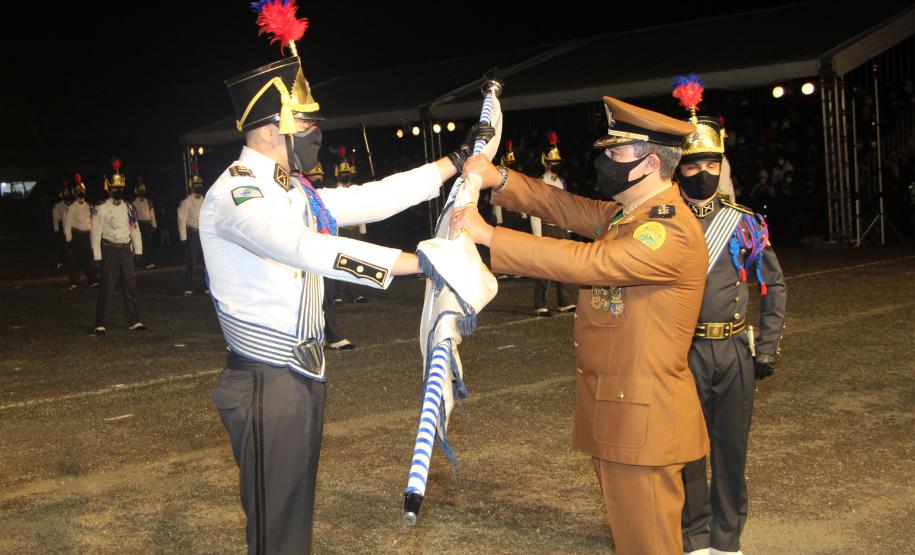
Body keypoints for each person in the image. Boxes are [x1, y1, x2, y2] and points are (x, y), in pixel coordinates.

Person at [202, 8, 496, 552]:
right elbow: (304, 247)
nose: (316, 137)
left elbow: (372, 197)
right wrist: (414, 263)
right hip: (266, 380)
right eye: (306, 128)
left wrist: (453, 163)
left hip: (300, 376)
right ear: (271, 131)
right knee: (275, 524)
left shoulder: (293, 190)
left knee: (292, 518)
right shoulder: (235, 194)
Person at [455, 96, 708, 555]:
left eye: (616, 153)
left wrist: (490, 235)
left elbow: (595, 262)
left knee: (649, 545)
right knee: (634, 540)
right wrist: (501, 180)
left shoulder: (667, 229)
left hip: (643, 420)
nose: (604, 161)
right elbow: (566, 207)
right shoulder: (626, 216)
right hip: (623, 413)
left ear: (651, 163)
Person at [671, 76, 787, 555]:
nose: (702, 171)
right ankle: (694, 537)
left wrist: (769, 346)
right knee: (689, 453)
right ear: (678, 168)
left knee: (732, 450)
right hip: (683, 352)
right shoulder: (663, 221)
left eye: (710, 162)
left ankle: (727, 540)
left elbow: (773, 283)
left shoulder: (743, 223)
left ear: (722, 165)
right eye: (692, 162)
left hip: (735, 349)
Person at [91, 159, 145, 335]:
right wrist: (97, 256)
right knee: (107, 286)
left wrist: (138, 251)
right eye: (115, 189)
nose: (118, 191)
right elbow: (95, 233)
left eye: (120, 188)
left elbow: (135, 230)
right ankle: (100, 322)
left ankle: (134, 320)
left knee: (130, 285)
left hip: (125, 249)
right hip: (109, 248)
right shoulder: (101, 208)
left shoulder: (129, 207)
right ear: (109, 188)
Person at [529, 131, 576, 316]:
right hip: (546, 228)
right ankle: (540, 304)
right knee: (544, 268)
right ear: (545, 162)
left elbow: (568, 206)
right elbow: (535, 210)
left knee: (563, 266)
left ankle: (565, 301)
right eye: (552, 162)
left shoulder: (562, 182)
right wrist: (537, 235)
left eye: (557, 162)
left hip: (561, 228)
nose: (555, 165)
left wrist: (570, 228)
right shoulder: (540, 182)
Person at [63, 175, 99, 291]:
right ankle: (74, 281)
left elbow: (93, 222)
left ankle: (92, 280)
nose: (81, 193)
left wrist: (94, 237)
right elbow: (67, 224)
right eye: (78, 191)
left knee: (89, 259)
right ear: (75, 193)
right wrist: (68, 239)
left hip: (87, 235)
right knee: (75, 260)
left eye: (82, 191)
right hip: (77, 236)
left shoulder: (89, 206)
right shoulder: (71, 207)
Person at [178, 173, 206, 296]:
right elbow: (181, 219)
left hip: (203, 234)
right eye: (196, 185)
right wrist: (183, 238)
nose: (198, 187)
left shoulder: (204, 199)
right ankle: (189, 286)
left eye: (200, 185)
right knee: (192, 261)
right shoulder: (187, 201)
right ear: (192, 187)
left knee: (206, 261)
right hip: (193, 234)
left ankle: (206, 285)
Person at [132, 176, 157, 269]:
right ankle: (137, 263)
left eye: (143, 191)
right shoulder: (133, 203)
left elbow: (152, 214)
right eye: (140, 191)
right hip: (138, 225)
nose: (142, 192)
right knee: (138, 244)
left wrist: (154, 226)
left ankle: (147, 262)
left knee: (147, 245)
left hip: (147, 225)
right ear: (137, 192)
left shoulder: (148, 202)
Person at [52, 181, 73, 270]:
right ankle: (60, 262)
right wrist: (56, 230)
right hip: (62, 227)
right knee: (61, 246)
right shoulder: (58, 206)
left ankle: (72, 262)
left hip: (72, 227)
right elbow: (55, 218)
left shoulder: (73, 204)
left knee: (72, 246)